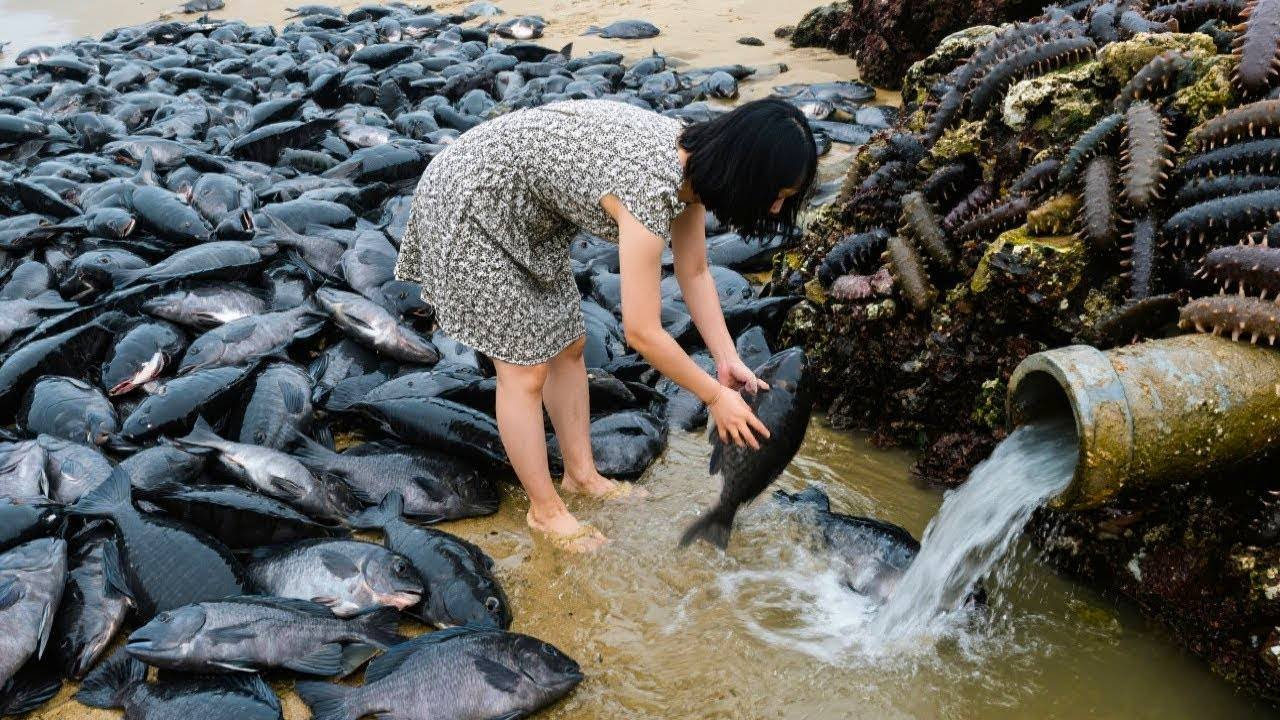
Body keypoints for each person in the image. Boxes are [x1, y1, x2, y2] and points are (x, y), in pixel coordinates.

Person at [393, 97, 817, 551]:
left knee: (568, 346)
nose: (774, 210)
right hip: (470, 200)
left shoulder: (695, 170)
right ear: (746, 171)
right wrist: (714, 397)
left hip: (531, 215)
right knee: (524, 371)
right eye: (776, 195)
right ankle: (546, 510)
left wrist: (726, 358)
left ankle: (582, 476)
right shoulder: (649, 185)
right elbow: (641, 331)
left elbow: (694, 272)